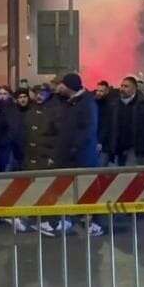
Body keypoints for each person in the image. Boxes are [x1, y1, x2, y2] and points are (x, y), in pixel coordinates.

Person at [54, 73, 102, 236]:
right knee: (67, 189)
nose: (57, 87)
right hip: (68, 156)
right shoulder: (69, 103)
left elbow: (88, 130)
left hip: (82, 156)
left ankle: (96, 222)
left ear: (68, 86)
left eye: (60, 84)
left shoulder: (87, 103)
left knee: (89, 189)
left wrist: (75, 147)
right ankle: (67, 219)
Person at [113, 76, 144, 166]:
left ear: (134, 89)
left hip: (135, 149)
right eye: (121, 86)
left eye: (126, 86)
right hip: (118, 149)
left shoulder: (143, 104)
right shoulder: (115, 104)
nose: (122, 88)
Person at [94, 81, 117, 167]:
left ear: (107, 91)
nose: (98, 93)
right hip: (96, 143)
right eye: (98, 90)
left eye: (101, 91)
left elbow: (106, 125)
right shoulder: (94, 103)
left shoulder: (110, 106)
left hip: (105, 145)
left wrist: (100, 141)